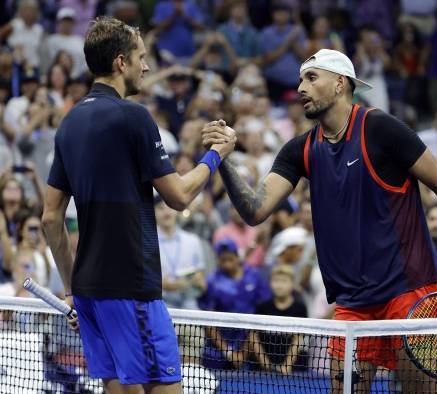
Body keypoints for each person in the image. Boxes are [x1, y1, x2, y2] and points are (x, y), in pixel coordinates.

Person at [202, 48, 437, 393]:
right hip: (353, 307)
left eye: (311, 78)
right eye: (300, 78)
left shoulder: (380, 129)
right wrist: (222, 160)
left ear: (340, 84)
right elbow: (255, 210)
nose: (301, 87)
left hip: (408, 293)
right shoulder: (299, 150)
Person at [42, 17, 235, 394]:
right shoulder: (134, 117)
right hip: (131, 288)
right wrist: (216, 154)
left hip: (89, 293)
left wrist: (70, 291)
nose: (147, 66)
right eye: (141, 57)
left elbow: (51, 218)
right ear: (121, 62)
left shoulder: (69, 123)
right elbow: (178, 197)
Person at [198, 238, 271, 370]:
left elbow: (262, 314)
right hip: (216, 352)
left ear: (238, 257)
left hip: (249, 348)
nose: (226, 264)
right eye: (222, 260)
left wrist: (244, 352)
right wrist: (228, 352)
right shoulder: (212, 280)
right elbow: (208, 321)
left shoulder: (254, 276)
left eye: (230, 259)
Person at [252, 264, 308, 374]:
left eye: (284, 281)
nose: (279, 285)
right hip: (262, 370)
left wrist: (287, 364)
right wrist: (265, 362)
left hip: (292, 369)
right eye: (276, 281)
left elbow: (298, 338)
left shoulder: (300, 308)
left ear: (292, 284)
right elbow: (253, 336)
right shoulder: (262, 307)